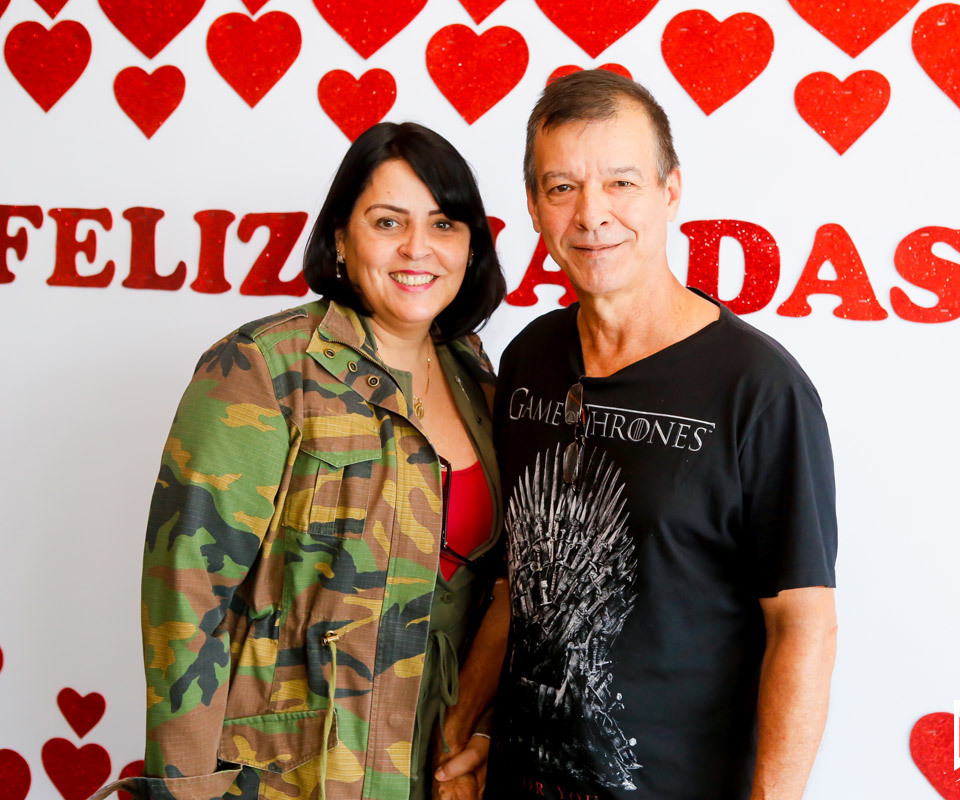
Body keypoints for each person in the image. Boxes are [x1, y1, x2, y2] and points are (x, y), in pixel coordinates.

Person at [92, 122, 508, 800]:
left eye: (443, 224)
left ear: (470, 246)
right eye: (388, 221)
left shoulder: (478, 378)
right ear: (341, 238)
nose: (418, 248)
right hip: (297, 773)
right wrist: (186, 790)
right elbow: (187, 599)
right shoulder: (262, 368)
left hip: (436, 763)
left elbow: (498, 590)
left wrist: (483, 731)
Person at [483, 70, 839, 799]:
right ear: (534, 207)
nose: (592, 214)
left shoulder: (758, 388)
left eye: (621, 183)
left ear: (670, 191)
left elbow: (803, 624)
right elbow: (511, 584)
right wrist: (470, 728)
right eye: (562, 188)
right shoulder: (528, 360)